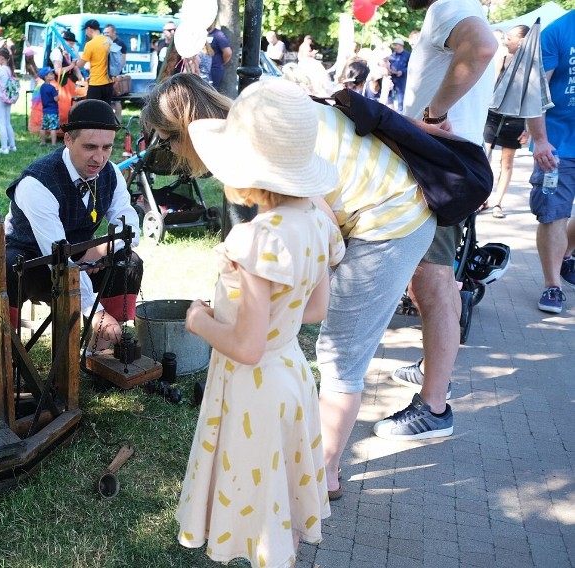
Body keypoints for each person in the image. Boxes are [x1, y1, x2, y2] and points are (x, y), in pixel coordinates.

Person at [141, 73, 437, 500]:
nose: (171, 154)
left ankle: (321, 477)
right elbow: (317, 266)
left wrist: (237, 298)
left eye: (168, 142)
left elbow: (322, 236)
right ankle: (307, 484)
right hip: (383, 206)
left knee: (341, 357)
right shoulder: (267, 117)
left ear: (184, 131)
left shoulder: (274, 158)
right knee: (332, 343)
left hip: (391, 219)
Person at [175, 79, 344, 568]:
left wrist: (198, 321)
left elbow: (246, 347)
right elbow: (314, 310)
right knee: (276, 500)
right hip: (290, 373)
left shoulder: (257, 239)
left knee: (252, 491)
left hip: (254, 387)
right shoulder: (317, 218)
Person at [385, 0, 497, 443]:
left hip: (436, 164)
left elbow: (482, 48)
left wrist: (431, 116)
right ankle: (435, 374)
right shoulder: (463, 8)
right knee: (439, 282)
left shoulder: (448, 6)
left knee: (429, 282)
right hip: (451, 163)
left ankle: (433, 407)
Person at [4, 99, 142, 350]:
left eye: (107, 147)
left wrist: (103, 250)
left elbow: (129, 224)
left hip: (74, 251)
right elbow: (57, 258)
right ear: (67, 140)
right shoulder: (37, 184)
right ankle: (7, 350)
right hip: (32, 261)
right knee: (9, 268)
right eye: (90, 147)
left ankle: (100, 350)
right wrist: (96, 312)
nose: (99, 158)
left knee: (129, 262)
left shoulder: (110, 173)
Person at [526, 9, 575, 313]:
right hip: (558, 142)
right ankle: (552, 285)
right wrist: (540, 140)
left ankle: (566, 255)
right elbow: (535, 92)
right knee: (554, 213)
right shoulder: (556, 32)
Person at [483, 25, 530, 219]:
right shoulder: (501, 59)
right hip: (493, 116)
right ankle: (481, 198)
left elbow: (531, 99)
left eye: (509, 37)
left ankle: (498, 203)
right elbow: (490, 89)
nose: (505, 41)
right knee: (484, 158)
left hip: (515, 120)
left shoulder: (531, 67)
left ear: (521, 41)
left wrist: (527, 128)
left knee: (507, 162)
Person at [74, 19, 114, 104]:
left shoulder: (90, 44)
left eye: (86, 30)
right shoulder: (108, 41)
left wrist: (75, 62)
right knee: (105, 110)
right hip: (109, 82)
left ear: (89, 29)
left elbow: (80, 65)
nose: (86, 33)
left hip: (96, 83)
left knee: (92, 110)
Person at [104, 24, 128, 121]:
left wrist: (116, 73)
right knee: (110, 100)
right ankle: (111, 119)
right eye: (104, 32)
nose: (105, 34)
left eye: (108, 32)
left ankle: (118, 120)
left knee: (116, 99)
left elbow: (122, 61)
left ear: (114, 33)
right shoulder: (105, 43)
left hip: (116, 76)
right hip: (106, 76)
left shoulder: (120, 44)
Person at [37, 67, 59, 146]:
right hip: (53, 111)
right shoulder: (52, 88)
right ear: (46, 77)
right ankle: (53, 143)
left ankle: (42, 142)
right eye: (51, 74)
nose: (53, 75)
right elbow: (56, 99)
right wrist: (57, 93)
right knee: (53, 128)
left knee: (43, 128)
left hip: (45, 111)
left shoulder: (42, 87)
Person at [206, 22, 232, 90]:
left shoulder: (218, 35)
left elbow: (228, 52)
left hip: (214, 69)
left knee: (211, 92)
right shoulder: (202, 34)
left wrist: (219, 63)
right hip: (203, 70)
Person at [387, 38, 410, 112]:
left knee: (401, 96)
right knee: (390, 95)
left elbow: (410, 67)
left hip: (402, 79)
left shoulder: (407, 55)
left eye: (396, 45)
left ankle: (401, 112)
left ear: (401, 45)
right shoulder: (392, 55)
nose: (394, 47)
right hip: (393, 78)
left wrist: (402, 71)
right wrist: (390, 69)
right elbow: (389, 64)